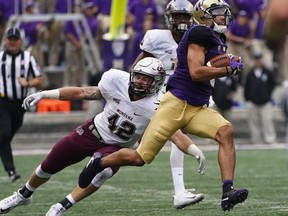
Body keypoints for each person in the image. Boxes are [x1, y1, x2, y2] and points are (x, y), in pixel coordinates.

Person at [57, 0, 249, 212]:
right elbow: (196, 73)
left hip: (197, 107)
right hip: (174, 104)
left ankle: (227, 192)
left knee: (226, 131)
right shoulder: (199, 34)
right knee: (140, 158)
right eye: (218, 13)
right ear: (204, 15)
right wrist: (227, 69)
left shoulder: (218, 37)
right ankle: (98, 164)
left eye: (224, 13)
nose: (224, 17)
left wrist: (227, 62)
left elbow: (210, 66)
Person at [0, 57, 205, 215]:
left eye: (146, 79)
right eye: (139, 76)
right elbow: (82, 92)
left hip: (115, 148)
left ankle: (61, 206)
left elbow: (175, 134)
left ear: (157, 82)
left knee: (103, 170)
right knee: (50, 163)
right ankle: (23, 194)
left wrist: (195, 151)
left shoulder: (159, 105)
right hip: (92, 131)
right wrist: (44, 94)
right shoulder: (117, 80)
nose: (140, 82)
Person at [132, 0, 204, 209]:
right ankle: (179, 192)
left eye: (185, 16)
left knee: (169, 140)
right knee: (135, 147)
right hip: (160, 93)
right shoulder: (156, 38)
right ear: (169, 17)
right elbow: (139, 63)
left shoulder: (195, 38)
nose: (182, 21)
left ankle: (179, 190)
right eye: (178, 16)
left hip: (181, 92)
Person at [0, 27, 43, 182]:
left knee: (5, 138)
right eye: (9, 39)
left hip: (20, 104)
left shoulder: (28, 57)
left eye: (15, 39)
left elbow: (39, 79)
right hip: (2, 102)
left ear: (20, 41)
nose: (12, 42)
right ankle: (11, 171)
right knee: (3, 134)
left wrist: (28, 83)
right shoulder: (0, 58)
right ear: (5, 40)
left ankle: (10, 169)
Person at [244, 52, 276, 144]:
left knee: (267, 121)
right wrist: (248, 99)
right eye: (256, 59)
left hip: (265, 102)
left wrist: (267, 95)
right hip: (252, 102)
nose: (257, 61)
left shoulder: (267, 72)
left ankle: (269, 138)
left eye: (259, 59)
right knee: (253, 122)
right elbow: (246, 87)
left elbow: (272, 84)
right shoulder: (250, 73)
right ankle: (256, 139)